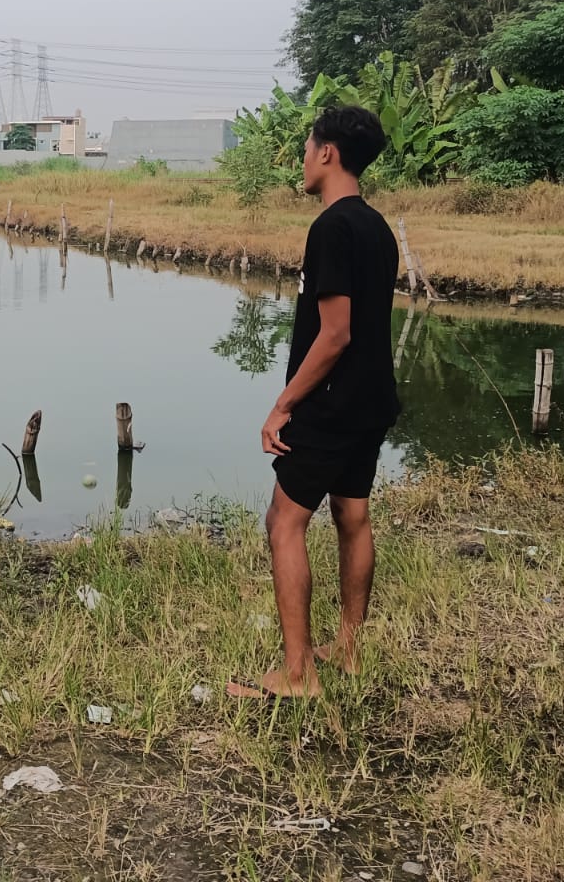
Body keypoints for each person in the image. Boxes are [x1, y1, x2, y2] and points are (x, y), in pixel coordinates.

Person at [229, 105, 400, 701]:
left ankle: (298, 674)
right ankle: (348, 650)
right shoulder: (378, 227)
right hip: (374, 399)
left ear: (327, 153)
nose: (303, 158)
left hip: (331, 404)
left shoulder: (331, 227)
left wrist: (283, 405)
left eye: (307, 146)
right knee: (352, 516)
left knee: (284, 523)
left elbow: (335, 334)